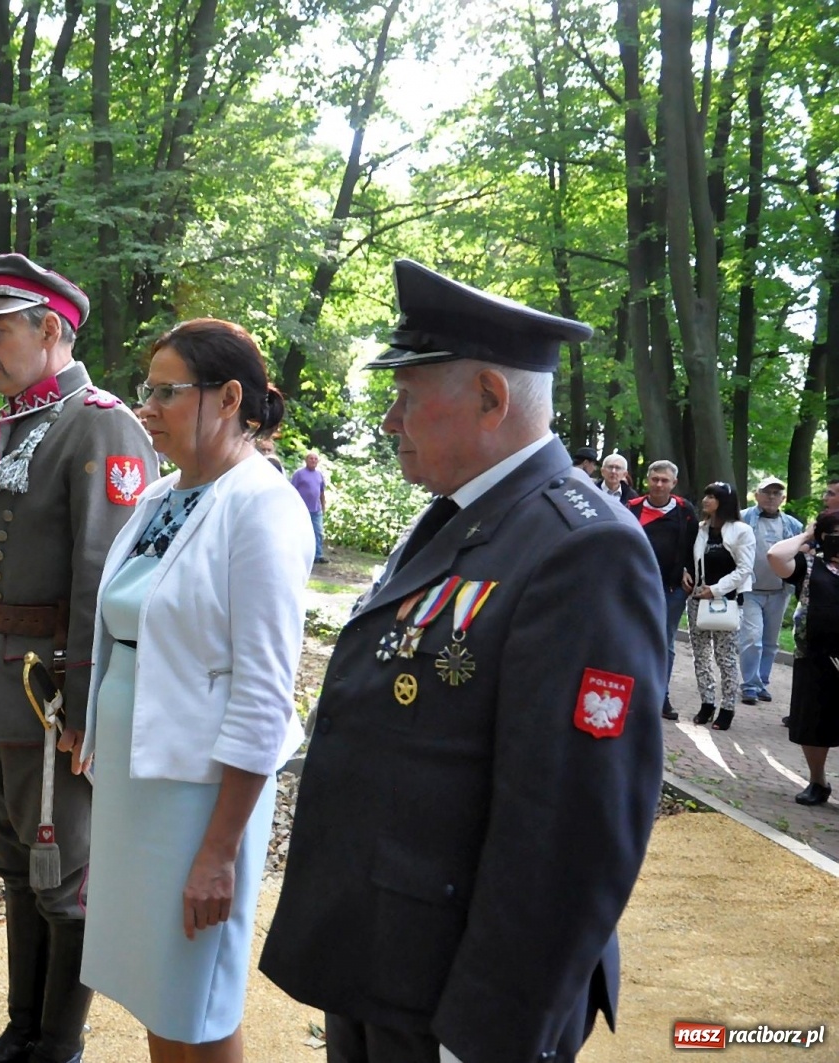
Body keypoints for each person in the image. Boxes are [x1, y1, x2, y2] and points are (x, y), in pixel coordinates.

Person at [260, 259, 666, 1063]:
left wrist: (487, 1031)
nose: (388, 420)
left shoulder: (581, 548)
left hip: (460, 994)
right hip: (388, 958)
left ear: (490, 396)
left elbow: (573, 831)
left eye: (408, 396)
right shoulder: (459, 516)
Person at [0, 252, 157, 1063]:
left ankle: (58, 1043)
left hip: (52, 692)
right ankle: (22, 1028)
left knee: (67, 880)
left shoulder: (103, 423)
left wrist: (85, 708)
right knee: (17, 865)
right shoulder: (13, 424)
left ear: (50, 328)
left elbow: (103, 580)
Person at [79, 319, 309, 1062]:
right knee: (158, 990)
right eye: (148, 390)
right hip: (136, 783)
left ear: (230, 395)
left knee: (197, 1001)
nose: (147, 407)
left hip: (200, 796)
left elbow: (265, 693)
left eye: (167, 392)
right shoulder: (159, 498)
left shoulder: (261, 505)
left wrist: (219, 850)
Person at [767, 510, 839, 805]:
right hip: (813, 656)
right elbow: (774, 555)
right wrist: (808, 535)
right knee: (813, 725)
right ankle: (818, 781)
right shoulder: (809, 565)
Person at [625, 460, 697, 720]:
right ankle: (631, 693)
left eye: (664, 480)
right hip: (634, 587)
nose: (658, 484)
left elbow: (694, 545)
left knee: (665, 642)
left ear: (673, 483)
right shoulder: (631, 508)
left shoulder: (685, 511)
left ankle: (660, 696)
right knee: (630, 638)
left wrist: (689, 569)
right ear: (647, 480)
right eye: (655, 479)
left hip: (671, 588)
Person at [685, 482, 754, 730]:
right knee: (700, 655)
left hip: (727, 601)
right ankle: (707, 703)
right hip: (697, 599)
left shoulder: (741, 531)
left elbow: (745, 568)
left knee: (725, 657)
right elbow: (691, 557)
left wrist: (714, 590)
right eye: (706, 495)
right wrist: (687, 573)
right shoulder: (701, 529)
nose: (706, 500)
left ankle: (727, 707)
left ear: (724, 502)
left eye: (713, 497)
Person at [738, 477, 803, 707]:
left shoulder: (793, 525)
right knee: (752, 639)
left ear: (783, 498)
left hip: (779, 591)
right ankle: (749, 686)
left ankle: (761, 682)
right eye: (766, 492)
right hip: (750, 590)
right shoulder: (744, 518)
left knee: (770, 642)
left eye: (776, 493)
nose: (771, 497)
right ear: (757, 494)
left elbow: (800, 556)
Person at [291, 452, 328, 563]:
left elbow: (321, 492)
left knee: (318, 532)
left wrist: (323, 507)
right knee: (300, 532)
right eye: (311, 458)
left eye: (315, 459)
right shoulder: (299, 474)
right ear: (306, 460)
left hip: (316, 509)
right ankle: (299, 553)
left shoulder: (319, 475)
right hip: (301, 509)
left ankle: (318, 555)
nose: (313, 461)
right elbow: (292, 490)